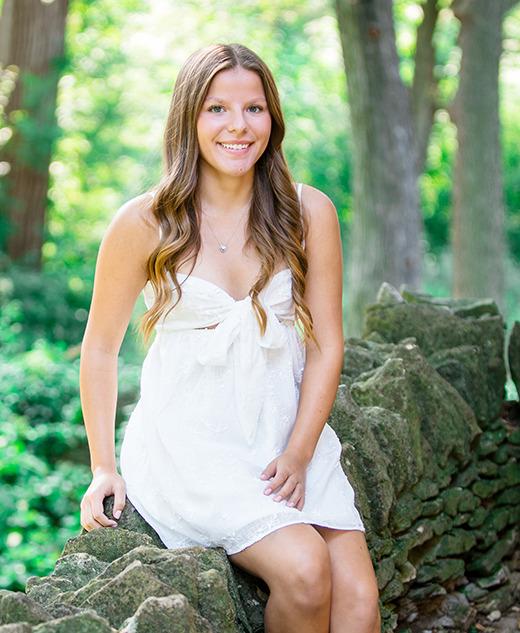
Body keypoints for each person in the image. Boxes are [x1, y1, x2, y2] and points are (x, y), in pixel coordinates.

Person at [79, 43, 380, 633]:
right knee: (303, 570)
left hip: (286, 434)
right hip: (192, 444)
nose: (239, 126)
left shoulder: (308, 212)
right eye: (217, 108)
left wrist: (298, 451)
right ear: (189, 118)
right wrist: (102, 466)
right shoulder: (144, 223)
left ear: (273, 118)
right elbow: (99, 349)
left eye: (254, 108)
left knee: (360, 603)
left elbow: (326, 345)